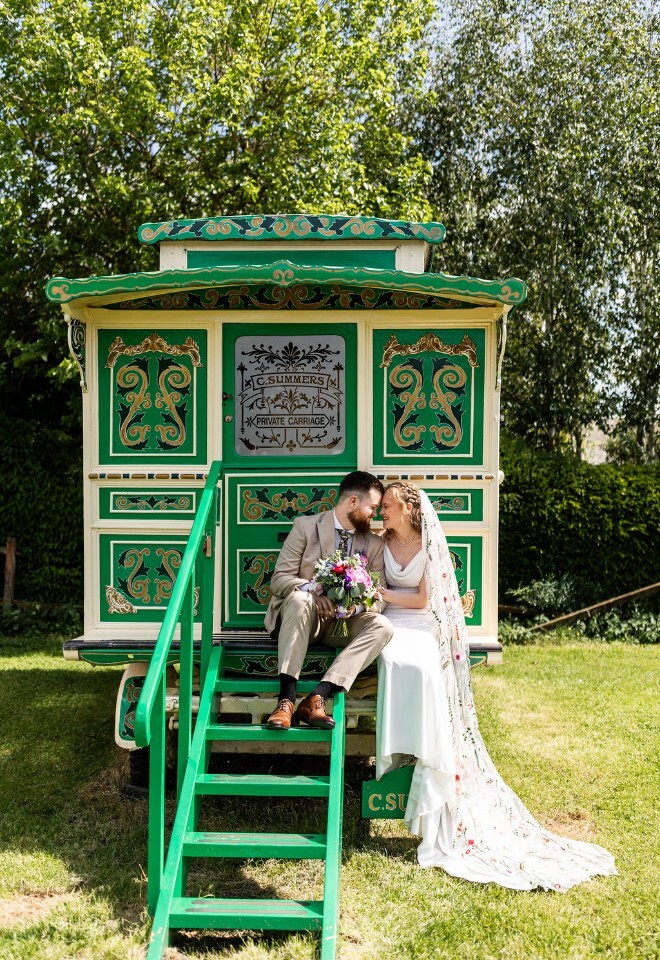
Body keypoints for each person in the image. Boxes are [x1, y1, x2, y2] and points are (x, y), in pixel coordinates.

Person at [376, 480, 617, 891]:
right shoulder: (380, 543)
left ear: (409, 510)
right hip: (389, 619)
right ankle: (395, 748)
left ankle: (427, 750)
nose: (382, 511)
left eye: (388, 506)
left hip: (417, 620)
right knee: (390, 658)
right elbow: (381, 590)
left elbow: (421, 599)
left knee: (417, 664)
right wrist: (373, 598)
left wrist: (383, 594)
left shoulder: (429, 541)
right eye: (381, 506)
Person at [265, 471, 392, 731]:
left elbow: (379, 595)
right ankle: (286, 701)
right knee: (301, 600)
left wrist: (354, 606)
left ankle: (317, 696)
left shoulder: (374, 544)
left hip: (343, 625)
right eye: (372, 507)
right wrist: (312, 590)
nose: (375, 515)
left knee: (383, 626)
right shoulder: (305, 526)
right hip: (304, 620)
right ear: (353, 502)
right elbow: (279, 579)